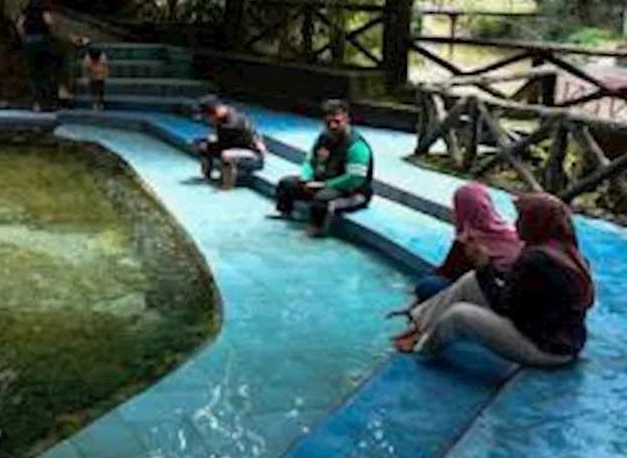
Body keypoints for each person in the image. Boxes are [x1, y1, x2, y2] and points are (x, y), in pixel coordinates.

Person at [391, 193, 594, 368]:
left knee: (458, 315)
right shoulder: (565, 251)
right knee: (471, 281)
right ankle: (419, 327)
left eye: (523, 218)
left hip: (545, 348)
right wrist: (487, 269)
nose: (516, 224)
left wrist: (484, 266)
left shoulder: (537, 260)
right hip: (560, 338)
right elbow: (519, 294)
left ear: (537, 223)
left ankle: (422, 349)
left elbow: (504, 307)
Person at [274, 99, 373, 236]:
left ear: (346, 120)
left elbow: (354, 179)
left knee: (322, 198)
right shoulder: (323, 138)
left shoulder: (357, 146)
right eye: (328, 122)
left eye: (337, 122)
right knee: (287, 183)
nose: (332, 126)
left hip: (352, 192)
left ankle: (317, 230)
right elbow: (310, 160)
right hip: (321, 182)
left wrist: (323, 185)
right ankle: (286, 214)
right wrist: (306, 178)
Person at [413, 183, 523, 302]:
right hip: (504, 289)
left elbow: (449, 272)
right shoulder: (509, 232)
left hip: (485, 293)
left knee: (427, 285)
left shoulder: (469, 238)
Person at [192, 95, 266, 190]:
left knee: (226, 155)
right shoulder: (221, 119)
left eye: (208, 116)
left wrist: (215, 140)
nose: (208, 119)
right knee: (203, 146)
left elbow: (240, 142)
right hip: (234, 147)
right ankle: (207, 177)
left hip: (252, 155)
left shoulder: (234, 121)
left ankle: (227, 186)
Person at [18, 0, 56, 111]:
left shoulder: (28, 6)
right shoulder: (44, 5)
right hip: (41, 40)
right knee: (44, 71)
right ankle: (44, 100)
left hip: (29, 40)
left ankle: (35, 102)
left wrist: (24, 36)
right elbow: (48, 21)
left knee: (33, 72)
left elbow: (19, 24)